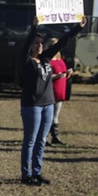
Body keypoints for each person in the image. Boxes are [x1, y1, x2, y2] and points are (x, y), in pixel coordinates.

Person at [19, 16, 86, 186]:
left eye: (41, 43)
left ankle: (37, 172)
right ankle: (26, 175)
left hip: (48, 104)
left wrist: (78, 28)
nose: (39, 45)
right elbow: (26, 44)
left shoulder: (45, 58)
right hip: (32, 105)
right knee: (30, 140)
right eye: (36, 43)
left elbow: (62, 42)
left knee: (41, 140)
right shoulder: (26, 61)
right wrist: (35, 28)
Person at [46, 39, 72, 145]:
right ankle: (44, 137)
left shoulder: (60, 60)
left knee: (55, 115)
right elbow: (45, 76)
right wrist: (57, 76)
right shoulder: (47, 61)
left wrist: (68, 73)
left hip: (60, 92)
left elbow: (63, 74)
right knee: (48, 116)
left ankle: (55, 136)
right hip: (50, 92)